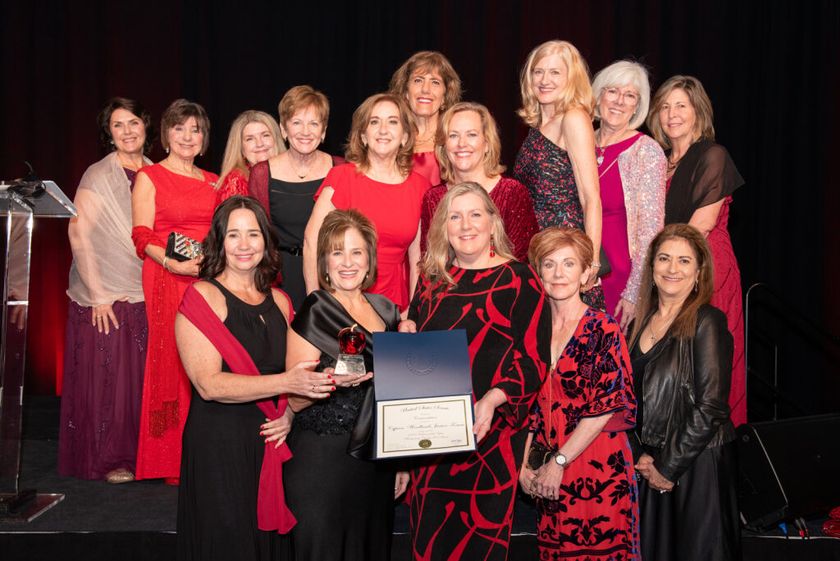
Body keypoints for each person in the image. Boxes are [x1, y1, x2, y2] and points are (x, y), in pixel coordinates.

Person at [175, 195, 334, 560]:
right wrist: (285, 385)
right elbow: (208, 384)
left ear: (266, 241)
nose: (244, 245)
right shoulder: (202, 296)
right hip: (220, 445)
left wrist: (290, 413)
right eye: (233, 235)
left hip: (270, 440)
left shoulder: (280, 301)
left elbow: (298, 375)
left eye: (253, 234)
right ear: (219, 241)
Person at [401, 182, 550, 560]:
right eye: (455, 216)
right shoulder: (433, 281)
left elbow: (534, 361)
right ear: (443, 228)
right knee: (429, 541)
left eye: (475, 214)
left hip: (491, 436)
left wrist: (493, 399)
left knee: (479, 546)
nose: (465, 225)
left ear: (493, 221)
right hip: (432, 442)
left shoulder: (519, 278)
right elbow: (416, 349)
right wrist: (407, 331)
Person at [283, 209, 407, 561]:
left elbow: (394, 396)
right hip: (323, 461)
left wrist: (400, 462)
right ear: (324, 261)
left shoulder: (387, 311)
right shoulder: (315, 309)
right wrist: (330, 381)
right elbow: (293, 400)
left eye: (356, 252)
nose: (347, 262)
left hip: (374, 461)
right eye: (337, 252)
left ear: (370, 260)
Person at [519, 227, 640, 560]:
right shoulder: (533, 331)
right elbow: (525, 404)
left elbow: (604, 407)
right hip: (547, 473)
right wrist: (523, 467)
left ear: (587, 272)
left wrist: (560, 461)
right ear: (537, 271)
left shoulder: (604, 329)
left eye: (569, 264)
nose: (558, 273)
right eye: (549, 263)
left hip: (597, 467)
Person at [628, 223, 739, 561]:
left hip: (697, 466)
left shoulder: (708, 321)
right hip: (651, 465)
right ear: (651, 267)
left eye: (684, 261)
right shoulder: (637, 325)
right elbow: (628, 401)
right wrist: (641, 456)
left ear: (698, 271)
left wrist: (668, 466)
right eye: (664, 258)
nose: (672, 269)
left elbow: (711, 406)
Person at [59, 97, 152, 483]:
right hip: (108, 295)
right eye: (118, 125)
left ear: (146, 126)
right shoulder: (98, 174)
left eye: (133, 122)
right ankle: (112, 459)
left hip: (148, 289)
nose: (128, 131)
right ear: (108, 133)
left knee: (140, 382)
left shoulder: (156, 171)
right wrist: (98, 294)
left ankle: (146, 455)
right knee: (111, 381)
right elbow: (78, 231)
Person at [648, 75, 746, 426]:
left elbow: (699, 227)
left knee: (704, 365)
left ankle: (707, 454)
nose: (672, 114)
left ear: (697, 112)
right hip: (666, 271)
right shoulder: (657, 160)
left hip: (704, 268)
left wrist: (658, 265)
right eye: (665, 107)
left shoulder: (711, 155)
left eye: (681, 106)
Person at [131, 99, 218, 483]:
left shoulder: (215, 181)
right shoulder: (150, 177)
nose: (187, 136)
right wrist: (171, 263)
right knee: (172, 363)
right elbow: (142, 234)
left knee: (209, 361)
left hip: (207, 280)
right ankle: (169, 460)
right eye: (179, 128)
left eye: (195, 129)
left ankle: (203, 452)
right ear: (166, 135)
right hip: (168, 277)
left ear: (204, 139)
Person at [219, 86, 343, 310]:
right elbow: (259, 233)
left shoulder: (341, 169)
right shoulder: (262, 174)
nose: (305, 131)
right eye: (296, 122)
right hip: (280, 278)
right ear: (284, 129)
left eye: (313, 123)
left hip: (331, 273)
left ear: (323, 131)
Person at [304, 92, 430, 312]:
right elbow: (311, 242)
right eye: (374, 122)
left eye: (392, 122)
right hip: (342, 299)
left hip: (395, 304)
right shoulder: (341, 177)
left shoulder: (420, 187)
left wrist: (413, 309)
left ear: (405, 137)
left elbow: (418, 258)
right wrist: (315, 303)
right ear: (363, 136)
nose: (383, 130)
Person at [513, 39, 605, 310]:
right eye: (538, 72)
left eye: (555, 72)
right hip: (537, 252)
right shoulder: (538, 124)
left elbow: (591, 198)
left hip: (565, 253)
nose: (544, 80)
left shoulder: (573, 117)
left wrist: (592, 262)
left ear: (571, 78)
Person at [591, 61, 667, 330]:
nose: (619, 101)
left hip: (619, 277)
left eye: (630, 95)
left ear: (638, 106)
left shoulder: (646, 151)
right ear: (598, 95)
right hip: (573, 271)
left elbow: (651, 230)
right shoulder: (579, 142)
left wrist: (634, 291)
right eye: (613, 91)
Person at [419, 101, 538, 260]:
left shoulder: (512, 193)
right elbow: (429, 264)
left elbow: (524, 262)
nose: (462, 144)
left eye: (471, 135)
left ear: (487, 143)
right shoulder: (433, 199)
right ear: (443, 146)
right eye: (453, 135)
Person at [389, 50, 462, 185]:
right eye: (418, 80)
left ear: (445, 97)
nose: (425, 89)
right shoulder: (390, 138)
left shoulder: (458, 140)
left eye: (435, 82)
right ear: (406, 92)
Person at [215, 110, 283, 202]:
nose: (259, 144)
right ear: (241, 149)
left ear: (276, 140)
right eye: (250, 139)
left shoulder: (294, 172)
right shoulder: (236, 181)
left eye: (265, 135)